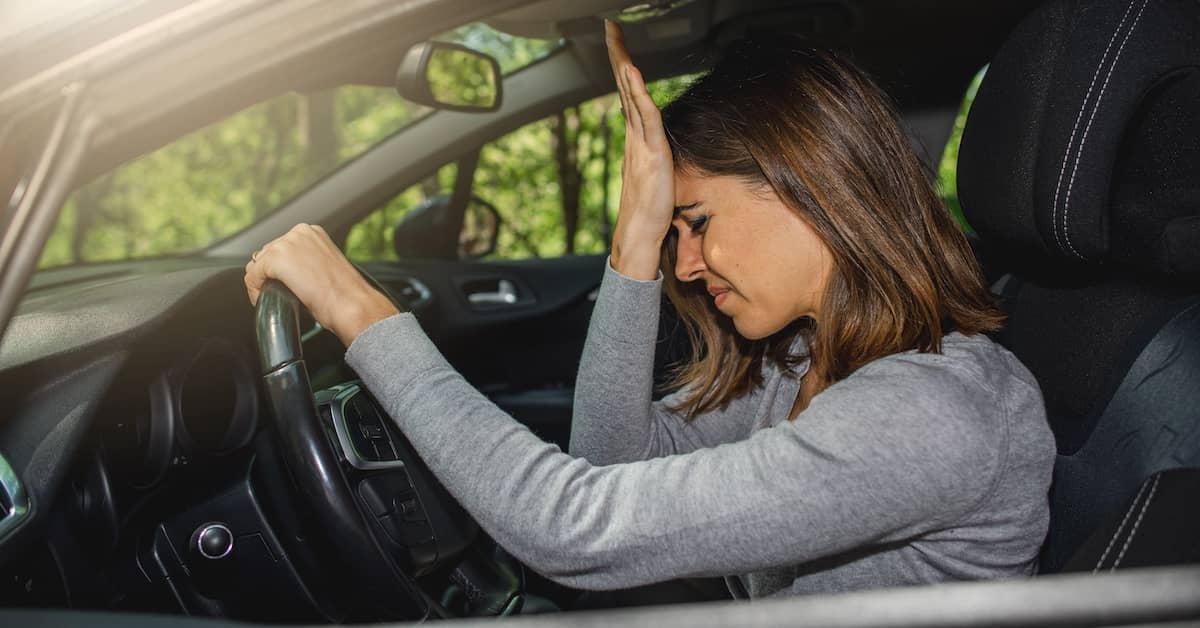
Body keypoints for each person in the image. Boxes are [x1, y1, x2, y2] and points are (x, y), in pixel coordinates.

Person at [244, 21, 1055, 598]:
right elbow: (612, 463)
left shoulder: (931, 414)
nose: (688, 265)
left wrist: (359, 310)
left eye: (696, 224)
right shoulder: (808, 362)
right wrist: (636, 241)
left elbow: (571, 525)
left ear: (811, 192)